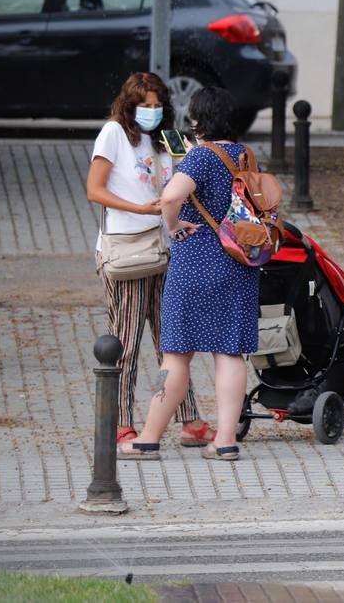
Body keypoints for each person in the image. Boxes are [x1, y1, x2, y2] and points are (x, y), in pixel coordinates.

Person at [119, 87, 260, 462]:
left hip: (195, 266)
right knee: (230, 353)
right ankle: (226, 440)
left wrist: (174, 223)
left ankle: (148, 438)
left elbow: (169, 197)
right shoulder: (245, 155)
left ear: (199, 120)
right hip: (239, 265)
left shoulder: (199, 157)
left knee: (176, 356)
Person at [86, 72, 213, 449]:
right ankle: (121, 420)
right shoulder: (114, 134)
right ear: (130, 105)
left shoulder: (167, 138)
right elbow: (94, 189)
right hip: (129, 249)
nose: (152, 112)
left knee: (171, 343)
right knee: (124, 340)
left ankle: (187, 417)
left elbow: (183, 182)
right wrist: (138, 208)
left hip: (166, 248)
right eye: (146, 106)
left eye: (158, 106)